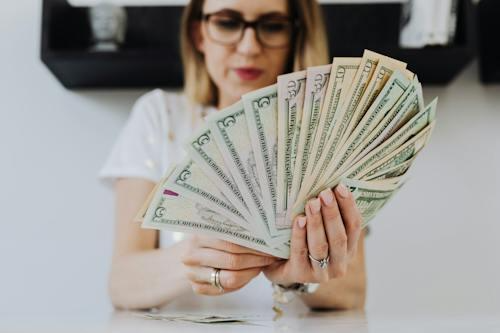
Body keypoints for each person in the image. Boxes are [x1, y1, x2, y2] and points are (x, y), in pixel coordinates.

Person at [99, 0, 366, 311]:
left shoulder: (323, 134)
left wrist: (295, 275)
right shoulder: (158, 116)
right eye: (227, 23)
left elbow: (354, 291)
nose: (249, 47)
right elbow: (121, 284)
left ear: (295, 35)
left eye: (273, 26)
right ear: (199, 34)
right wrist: (195, 255)